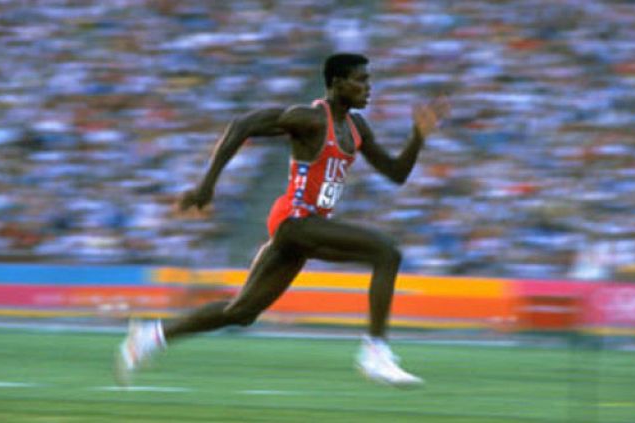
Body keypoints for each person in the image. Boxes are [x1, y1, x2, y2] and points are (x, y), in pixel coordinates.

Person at [115, 53, 450, 387]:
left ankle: (149, 336)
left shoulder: (357, 127)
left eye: (369, 80)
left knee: (241, 313)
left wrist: (418, 137)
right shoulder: (310, 119)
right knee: (386, 252)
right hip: (295, 221)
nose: (369, 87)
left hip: (305, 228)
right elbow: (242, 125)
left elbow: (396, 173)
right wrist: (207, 185)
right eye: (360, 80)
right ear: (336, 83)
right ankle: (375, 352)